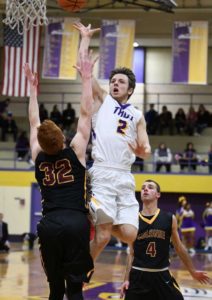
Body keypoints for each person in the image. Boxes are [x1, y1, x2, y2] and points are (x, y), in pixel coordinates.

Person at [74, 22, 151, 261]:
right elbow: (84, 70)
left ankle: (98, 217)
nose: (115, 83)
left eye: (121, 82)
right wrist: (85, 39)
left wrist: (142, 150)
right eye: (113, 81)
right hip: (103, 173)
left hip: (125, 176)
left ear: (130, 89)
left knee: (130, 234)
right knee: (104, 236)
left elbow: (146, 149)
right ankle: (79, 272)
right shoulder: (104, 101)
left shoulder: (138, 115)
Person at [23, 49, 96, 300]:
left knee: (55, 290)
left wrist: (33, 91)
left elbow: (34, 122)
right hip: (76, 223)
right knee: (75, 290)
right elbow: (86, 114)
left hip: (50, 224)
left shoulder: (37, 154)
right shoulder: (76, 151)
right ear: (63, 137)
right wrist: (86, 79)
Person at [120, 179, 210, 300]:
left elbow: (179, 247)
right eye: (143, 187)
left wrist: (192, 272)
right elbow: (131, 253)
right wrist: (126, 279)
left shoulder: (169, 218)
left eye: (150, 187)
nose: (145, 189)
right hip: (138, 276)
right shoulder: (133, 219)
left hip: (161, 275)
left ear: (158, 194)